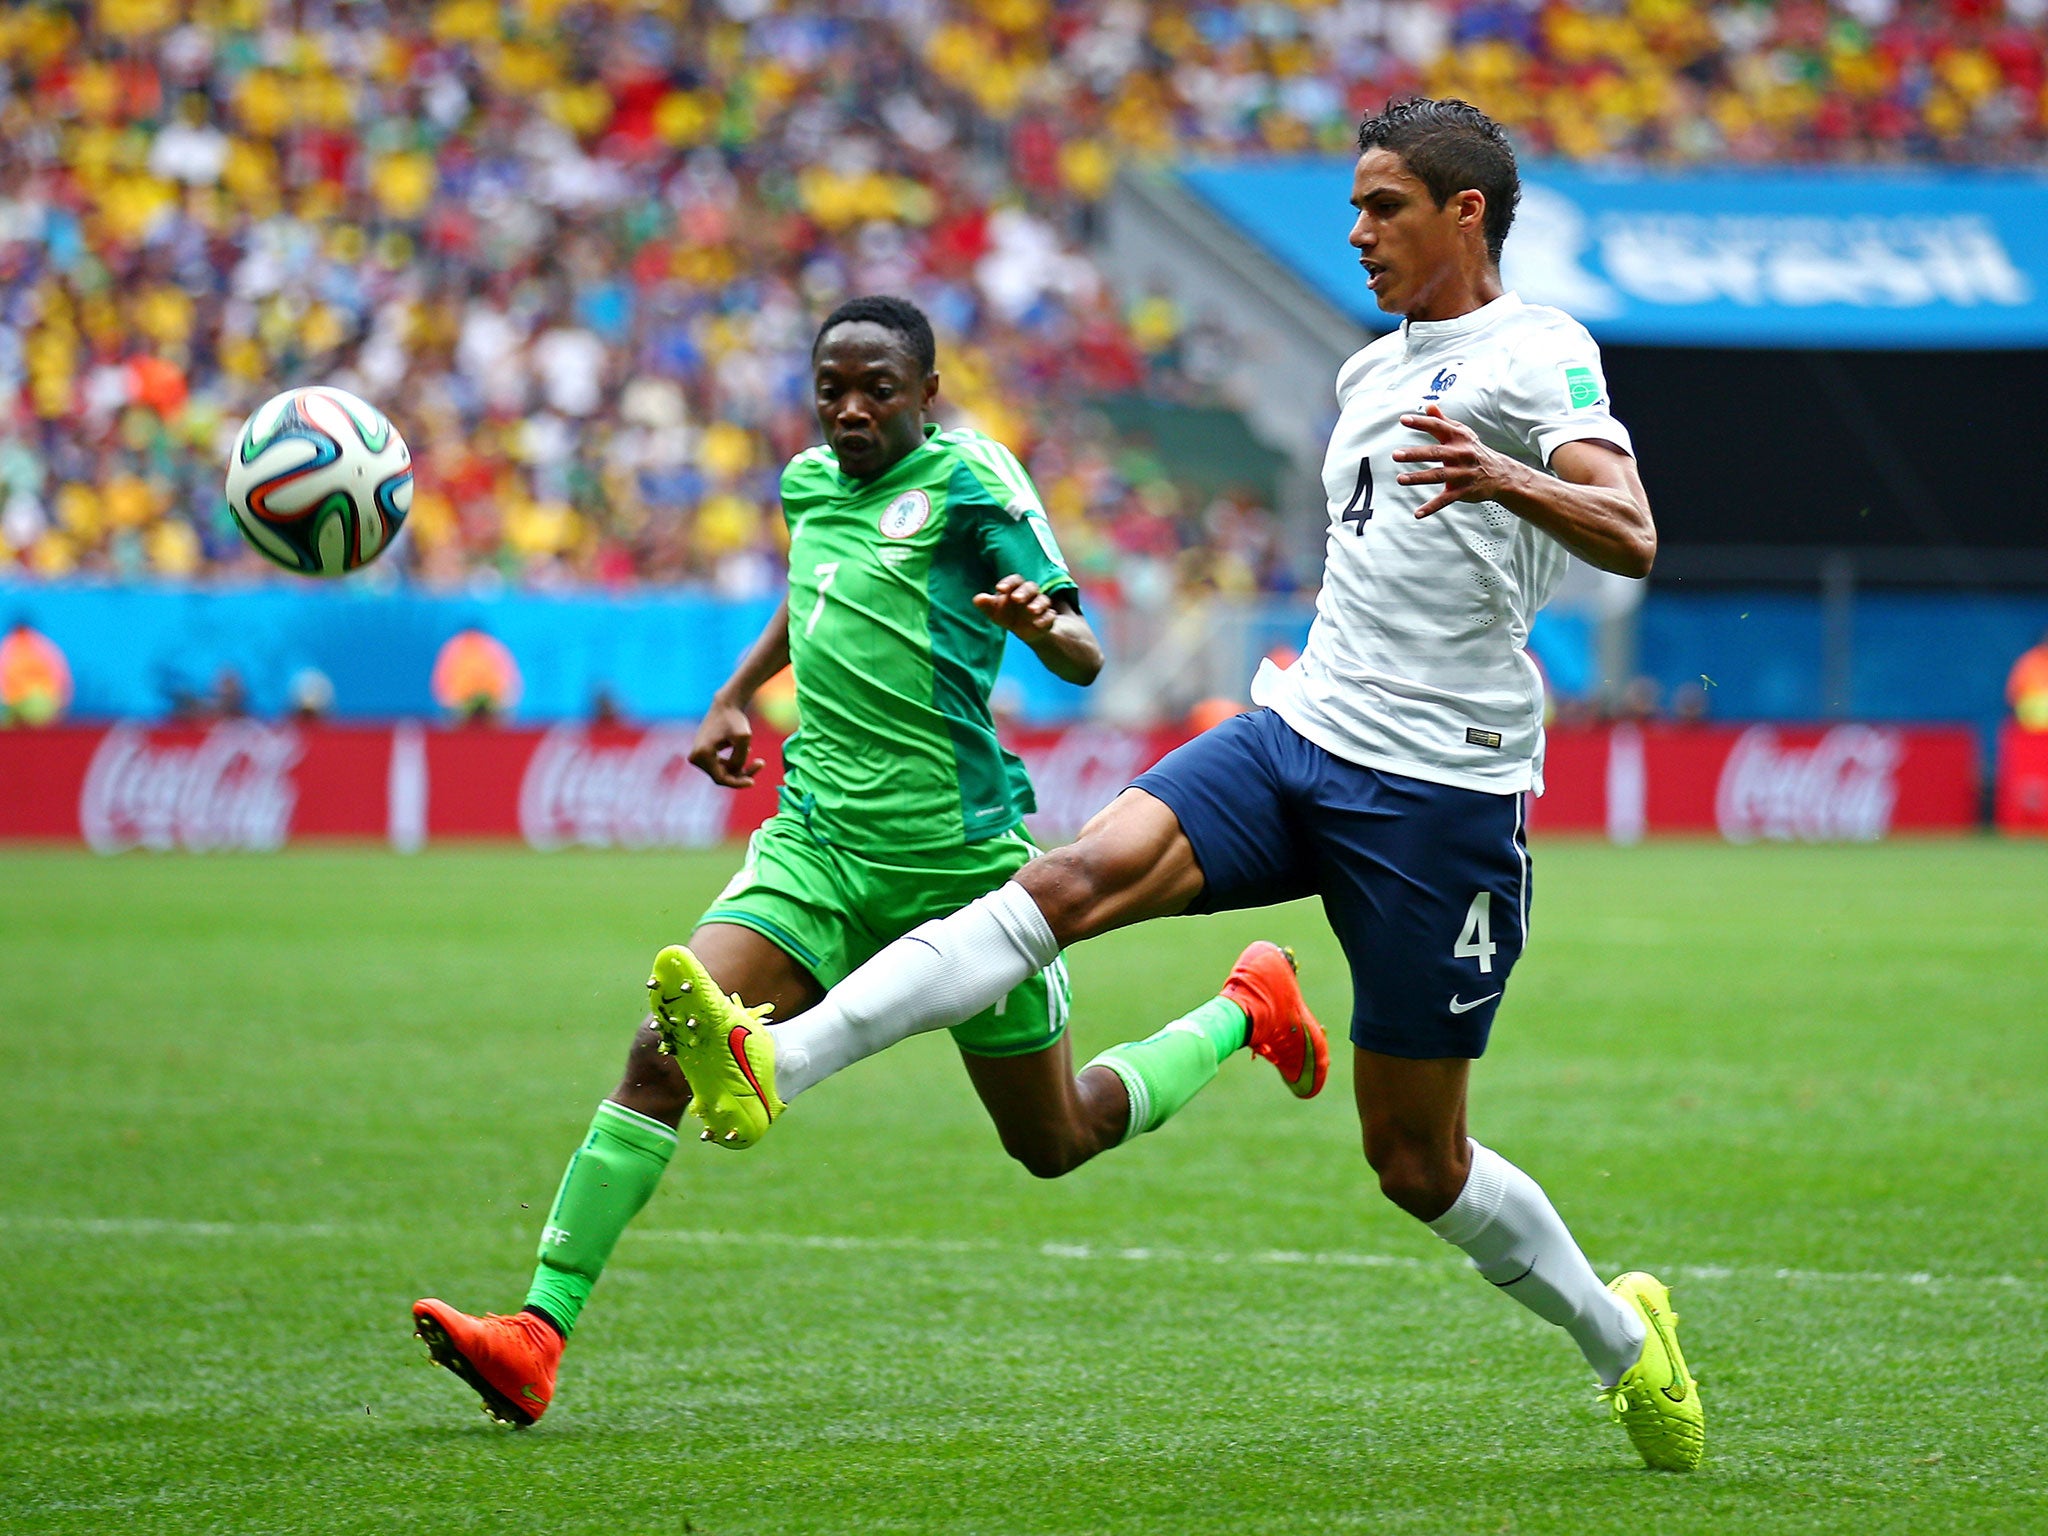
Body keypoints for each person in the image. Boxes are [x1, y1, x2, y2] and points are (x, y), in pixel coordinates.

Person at [665, 104, 1703, 1473]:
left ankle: (1626, 1342)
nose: (1356, 232)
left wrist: (1502, 472)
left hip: (1440, 795)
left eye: (1385, 207)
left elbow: (1629, 532)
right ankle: (773, 1061)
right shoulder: (1368, 373)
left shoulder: (1538, 352)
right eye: (1353, 206)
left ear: (1464, 215)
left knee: (1416, 1165)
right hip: (1302, 729)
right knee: (1068, 878)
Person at [411, 295, 1328, 1426]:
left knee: (1055, 1140)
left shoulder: (969, 487)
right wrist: (732, 695)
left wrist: (1046, 627)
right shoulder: (807, 486)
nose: (849, 411)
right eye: (831, 390)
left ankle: (1246, 1006)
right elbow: (813, 596)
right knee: (663, 1048)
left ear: (927, 396)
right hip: (819, 847)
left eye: (876, 390)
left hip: (962, 874)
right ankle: (536, 1335)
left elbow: (1083, 651)